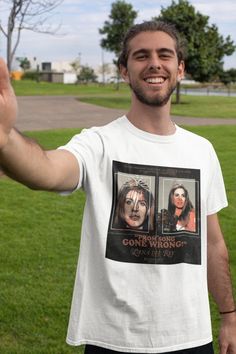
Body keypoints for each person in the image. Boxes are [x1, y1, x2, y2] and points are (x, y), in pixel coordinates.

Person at [0, 20, 235, 354]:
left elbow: (213, 244)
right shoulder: (99, 143)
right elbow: (46, 170)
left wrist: (229, 315)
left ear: (179, 68)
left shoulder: (202, 151)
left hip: (191, 338)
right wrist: (5, 138)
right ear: (124, 71)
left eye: (164, 55)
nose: (154, 63)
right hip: (113, 339)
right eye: (141, 56)